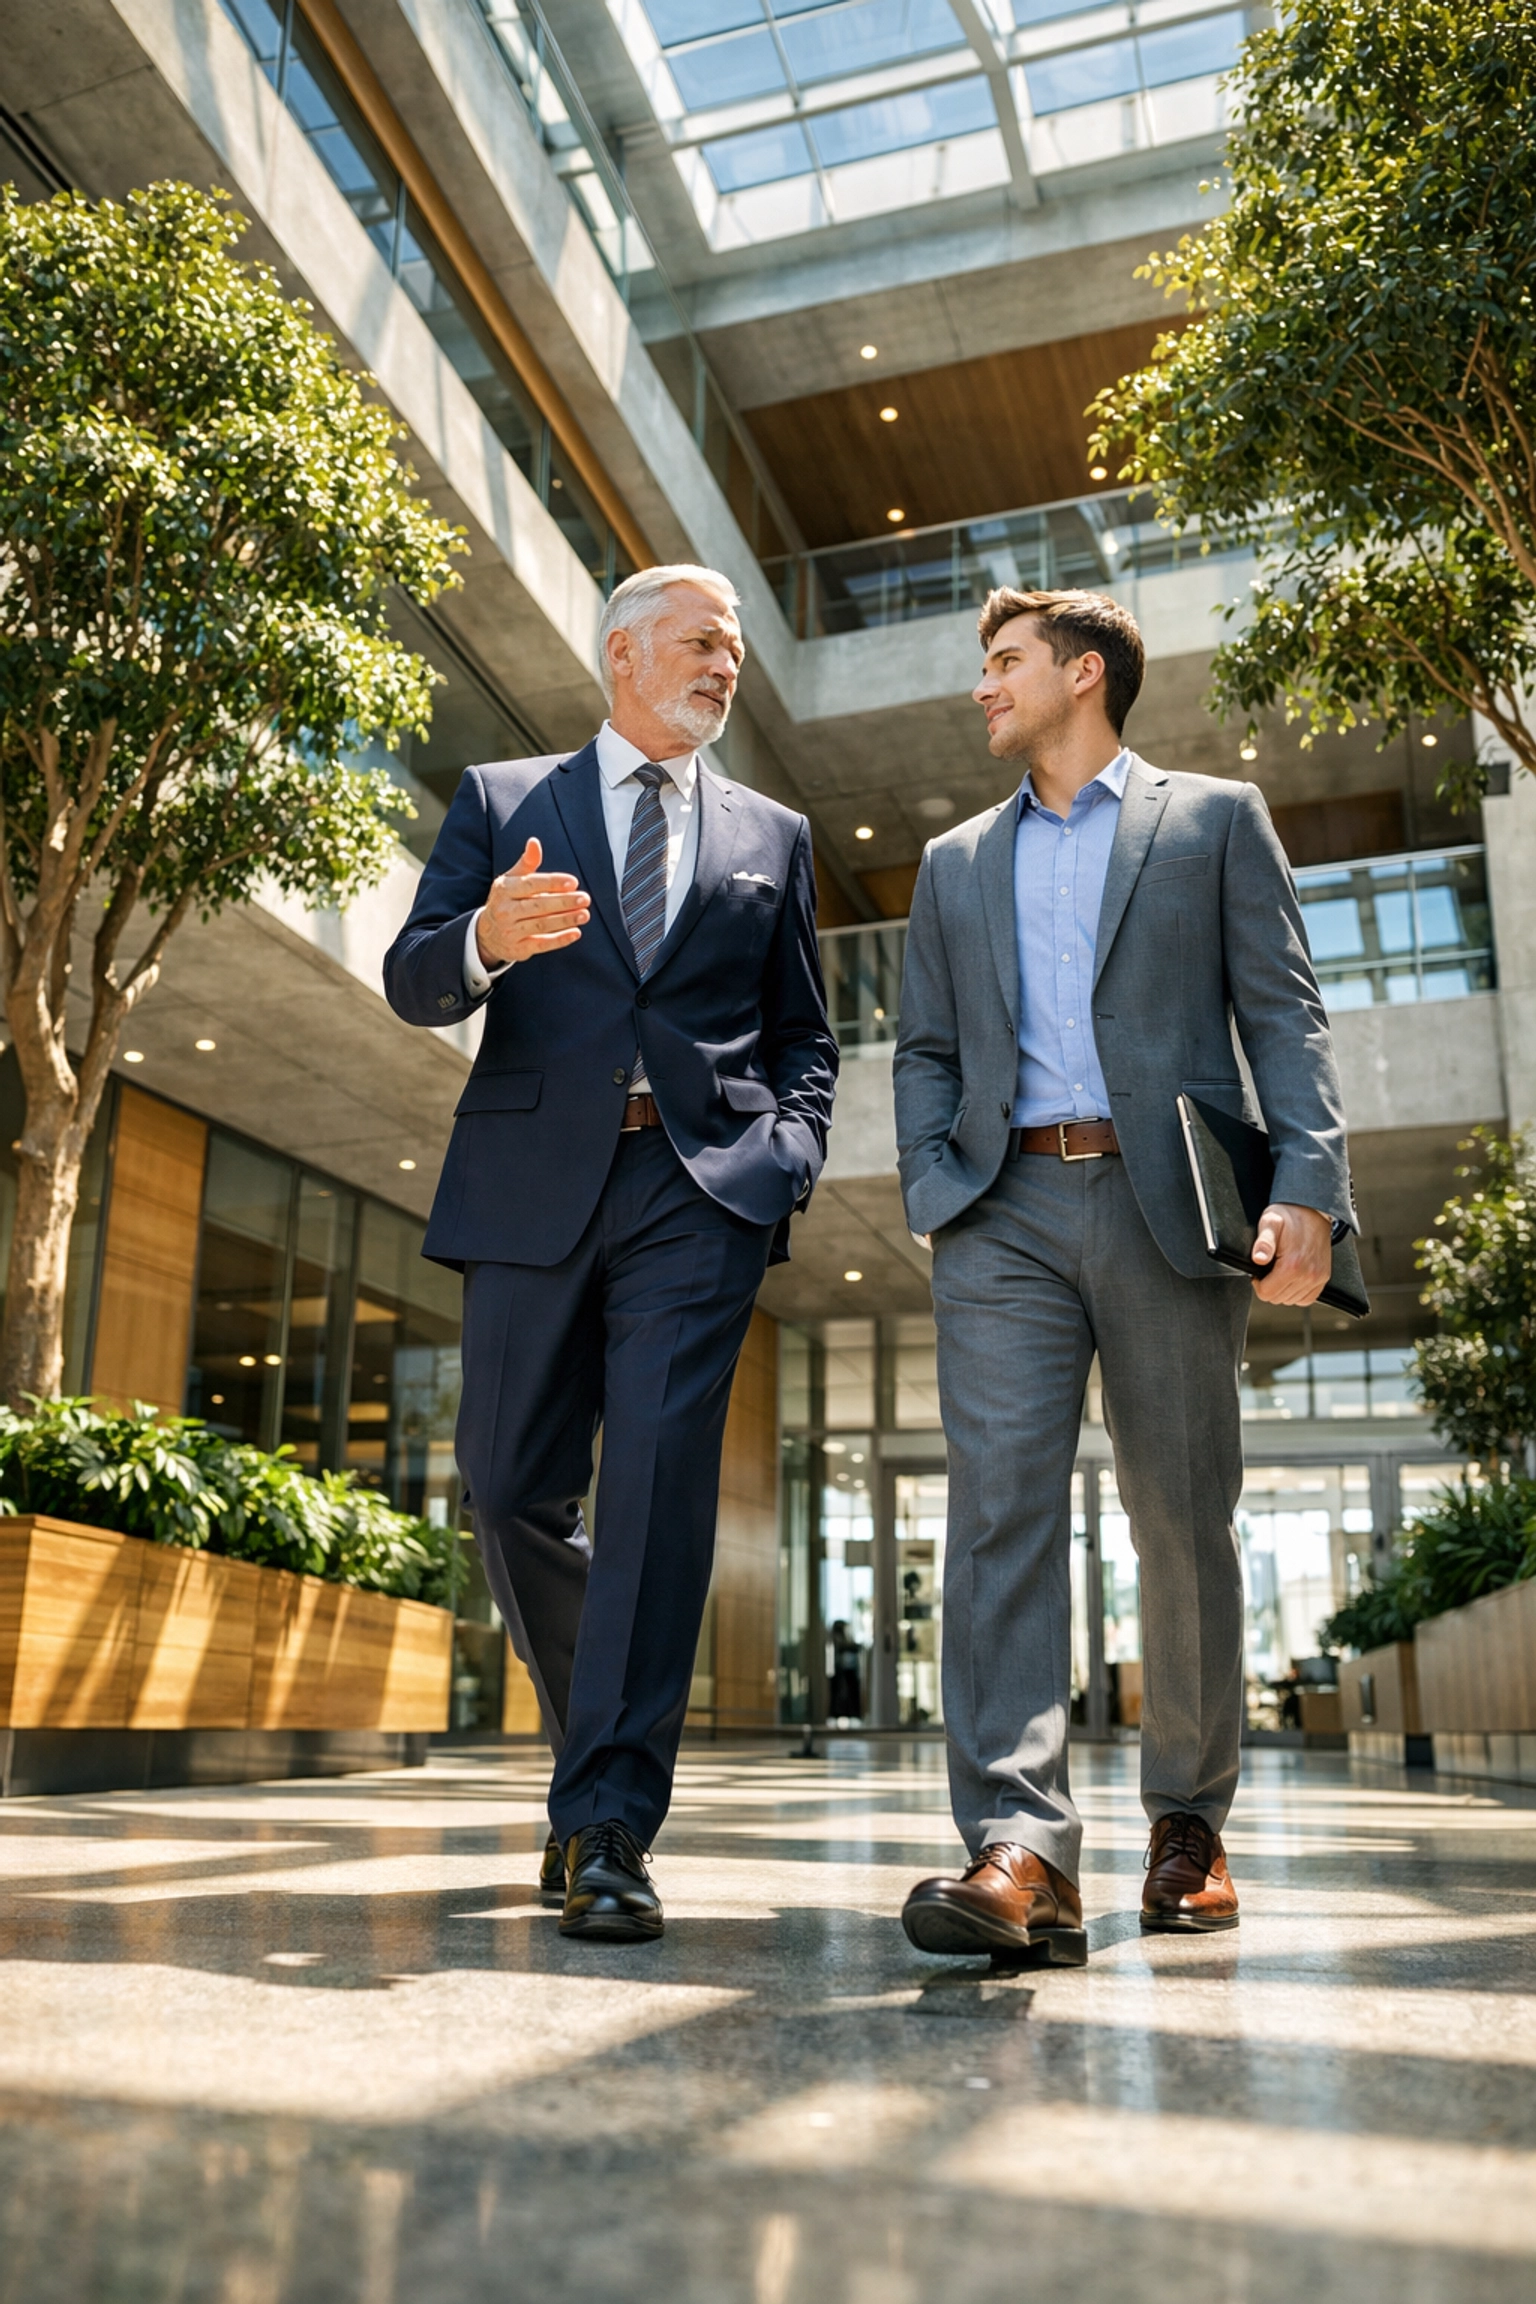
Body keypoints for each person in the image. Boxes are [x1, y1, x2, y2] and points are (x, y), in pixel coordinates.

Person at [892, 586, 1351, 1966]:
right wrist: (935, 1187)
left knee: (1181, 1516)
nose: (986, 685)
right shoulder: (952, 860)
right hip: (1004, 1210)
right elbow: (921, 1043)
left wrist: (1310, 1192)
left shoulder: (1213, 818)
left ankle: (1187, 1830)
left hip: (1169, 1208)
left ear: (1083, 674)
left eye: (1007, 662)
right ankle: (1020, 1845)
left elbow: (1285, 1012)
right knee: (999, 1519)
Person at [384, 565, 837, 1943]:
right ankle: (599, 1749)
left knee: (654, 1495)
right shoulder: (506, 800)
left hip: (698, 1193)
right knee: (508, 1483)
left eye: (737, 647)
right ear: (624, 655)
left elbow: (803, 1033)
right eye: (703, 641)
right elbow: (414, 979)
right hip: (532, 1186)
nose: (726, 664)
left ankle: (606, 1827)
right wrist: (483, 939)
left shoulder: (776, 832)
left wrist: (786, 1159)